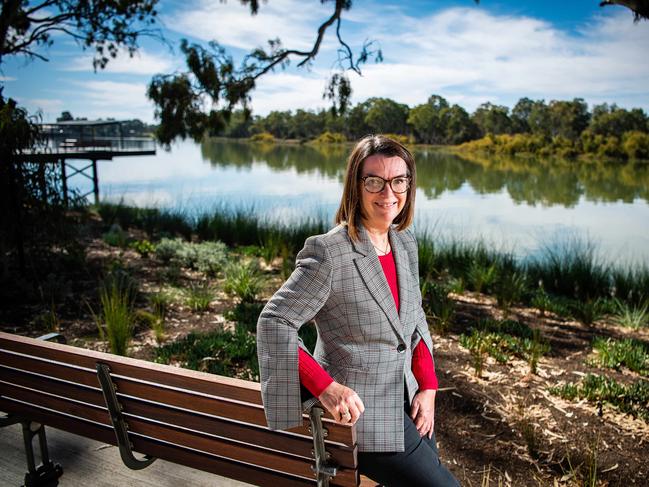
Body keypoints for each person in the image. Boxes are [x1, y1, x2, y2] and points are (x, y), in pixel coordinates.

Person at [257, 135, 460, 486]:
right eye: (374, 181)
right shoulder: (329, 252)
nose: (388, 193)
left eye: (399, 181)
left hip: (409, 401)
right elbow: (274, 321)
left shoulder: (405, 241)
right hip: (358, 420)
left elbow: (413, 318)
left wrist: (427, 385)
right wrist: (325, 388)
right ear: (356, 185)